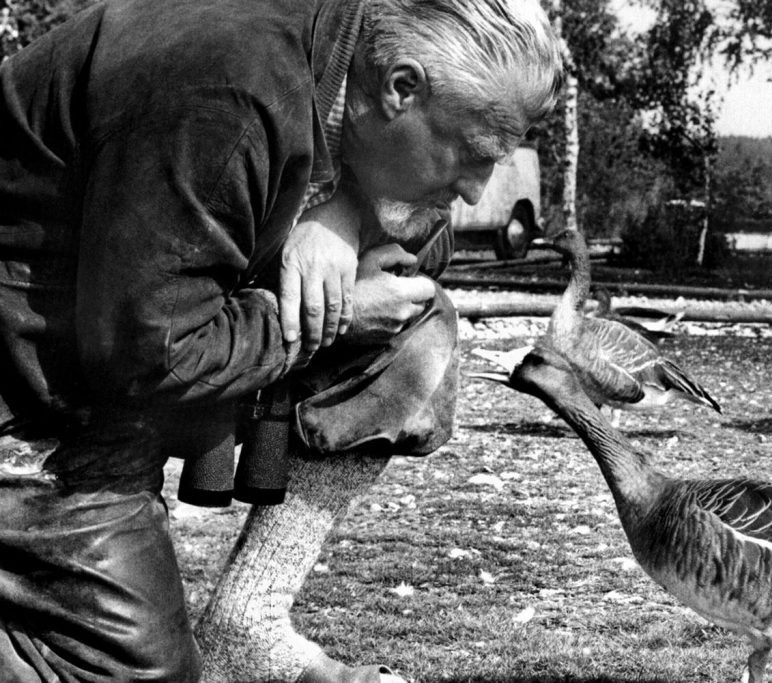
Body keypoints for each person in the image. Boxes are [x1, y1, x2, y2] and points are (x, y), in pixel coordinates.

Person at [0, 0, 563, 681]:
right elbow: (150, 351)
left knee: (416, 328)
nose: (478, 192)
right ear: (401, 89)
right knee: (130, 673)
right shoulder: (226, 86)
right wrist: (332, 315)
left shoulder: (336, 63)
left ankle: (250, 618)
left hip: (100, 370)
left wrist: (342, 215)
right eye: (474, 154)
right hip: (32, 399)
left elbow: (425, 246)